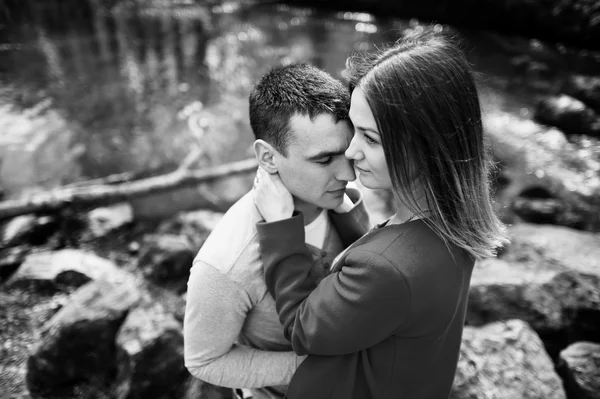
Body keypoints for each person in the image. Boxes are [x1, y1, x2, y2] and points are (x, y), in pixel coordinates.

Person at [253, 28, 510, 399]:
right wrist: (345, 212)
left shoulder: (385, 271)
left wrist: (280, 229)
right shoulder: (454, 222)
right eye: (355, 131)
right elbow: (384, 272)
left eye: (369, 138)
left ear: (424, 147)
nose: (351, 152)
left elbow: (302, 328)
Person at [183, 63, 371, 399]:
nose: (349, 174)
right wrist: (316, 365)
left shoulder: (341, 203)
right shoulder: (225, 263)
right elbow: (204, 360)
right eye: (325, 160)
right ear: (268, 158)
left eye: (347, 152)